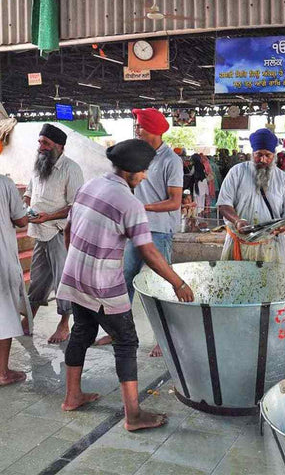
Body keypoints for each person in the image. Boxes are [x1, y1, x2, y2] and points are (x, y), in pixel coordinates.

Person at [56, 139, 194, 430]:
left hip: (74, 277)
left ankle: (72, 397)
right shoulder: (130, 204)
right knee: (127, 341)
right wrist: (178, 283)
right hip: (103, 285)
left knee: (81, 331)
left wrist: (79, 261)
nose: (144, 177)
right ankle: (133, 416)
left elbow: (68, 230)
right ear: (131, 171)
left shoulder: (89, 186)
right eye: (143, 172)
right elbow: (149, 251)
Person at [104, 108, 183, 357]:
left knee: (161, 284)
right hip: (133, 228)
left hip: (159, 230)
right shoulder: (138, 155)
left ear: (154, 131)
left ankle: (164, 337)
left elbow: (174, 202)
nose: (136, 131)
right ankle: (118, 330)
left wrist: (140, 206)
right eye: (136, 126)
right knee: (124, 279)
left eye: (140, 127)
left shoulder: (171, 160)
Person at [23, 124, 84, 343]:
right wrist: (28, 208)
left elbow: (75, 205)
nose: (41, 147)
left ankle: (64, 325)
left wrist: (48, 217)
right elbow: (29, 194)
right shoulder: (39, 166)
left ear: (59, 146)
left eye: (46, 143)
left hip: (59, 233)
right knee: (38, 281)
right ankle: (28, 320)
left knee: (62, 282)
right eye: (40, 142)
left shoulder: (71, 169)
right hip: (40, 232)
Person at [217, 128, 285, 263]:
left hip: (271, 246)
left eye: (267, 155)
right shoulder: (237, 172)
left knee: (270, 283)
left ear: (274, 155)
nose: (263, 159)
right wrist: (237, 221)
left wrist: (283, 225)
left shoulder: (284, 180)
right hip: (239, 244)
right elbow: (224, 204)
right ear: (252, 153)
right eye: (258, 154)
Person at [0, 175, 30, 386]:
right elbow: (21, 220)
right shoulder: (4, 183)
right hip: (1, 260)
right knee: (4, 314)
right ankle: (2, 372)